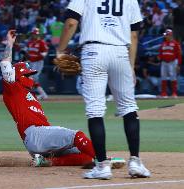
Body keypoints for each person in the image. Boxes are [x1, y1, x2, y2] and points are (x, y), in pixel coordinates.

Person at [0, 30, 125, 168]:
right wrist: (10, 43)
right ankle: (103, 159)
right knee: (77, 136)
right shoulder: (13, 88)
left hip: (41, 137)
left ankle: (46, 161)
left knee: (86, 155)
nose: (31, 78)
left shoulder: (29, 94)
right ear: (18, 77)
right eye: (28, 75)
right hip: (35, 134)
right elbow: (5, 63)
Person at [56, 0, 151, 179]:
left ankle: (102, 166)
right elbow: (134, 36)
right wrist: (131, 66)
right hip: (120, 52)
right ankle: (136, 163)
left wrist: (60, 50)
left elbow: (71, 22)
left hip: (94, 51)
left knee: (95, 110)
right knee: (129, 107)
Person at [158, 29, 182, 97]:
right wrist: (159, 57)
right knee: (163, 77)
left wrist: (178, 65)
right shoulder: (163, 44)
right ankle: (163, 93)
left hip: (172, 62)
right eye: (165, 35)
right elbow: (160, 53)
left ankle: (174, 93)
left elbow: (179, 55)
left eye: (167, 35)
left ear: (170, 35)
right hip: (164, 62)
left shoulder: (176, 43)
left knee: (173, 77)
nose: (165, 36)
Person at [26, 27, 49, 100]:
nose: (34, 35)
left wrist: (42, 55)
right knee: (31, 78)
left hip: (38, 62)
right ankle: (43, 95)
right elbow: (29, 53)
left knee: (34, 78)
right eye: (33, 34)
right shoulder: (30, 43)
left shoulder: (41, 42)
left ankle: (42, 94)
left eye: (35, 34)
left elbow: (45, 52)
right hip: (31, 62)